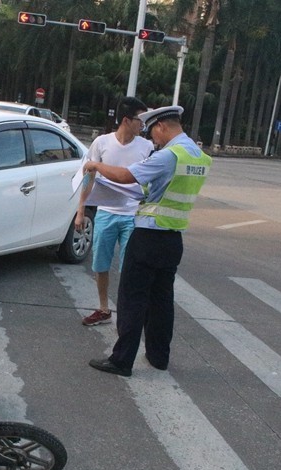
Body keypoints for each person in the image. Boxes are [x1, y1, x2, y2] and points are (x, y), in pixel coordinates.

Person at [84, 105, 212, 377]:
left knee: (132, 299)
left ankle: (121, 360)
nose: (152, 138)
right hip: (173, 238)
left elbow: (125, 175)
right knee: (162, 300)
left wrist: (95, 165)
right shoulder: (198, 156)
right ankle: (158, 356)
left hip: (149, 236)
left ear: (162, 126)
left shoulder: (169, 155)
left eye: (153, 131)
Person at [75, 97, 153, 326]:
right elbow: (88, 178)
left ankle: (129, 312)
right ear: (127, 120)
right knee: (100, 264)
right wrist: (81, 210)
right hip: (107, 212)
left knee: (132, 267)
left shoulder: (146, 147)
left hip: (133, 216)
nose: (143, 125)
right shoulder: (101, 143)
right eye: (140, 120)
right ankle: (103, 309)